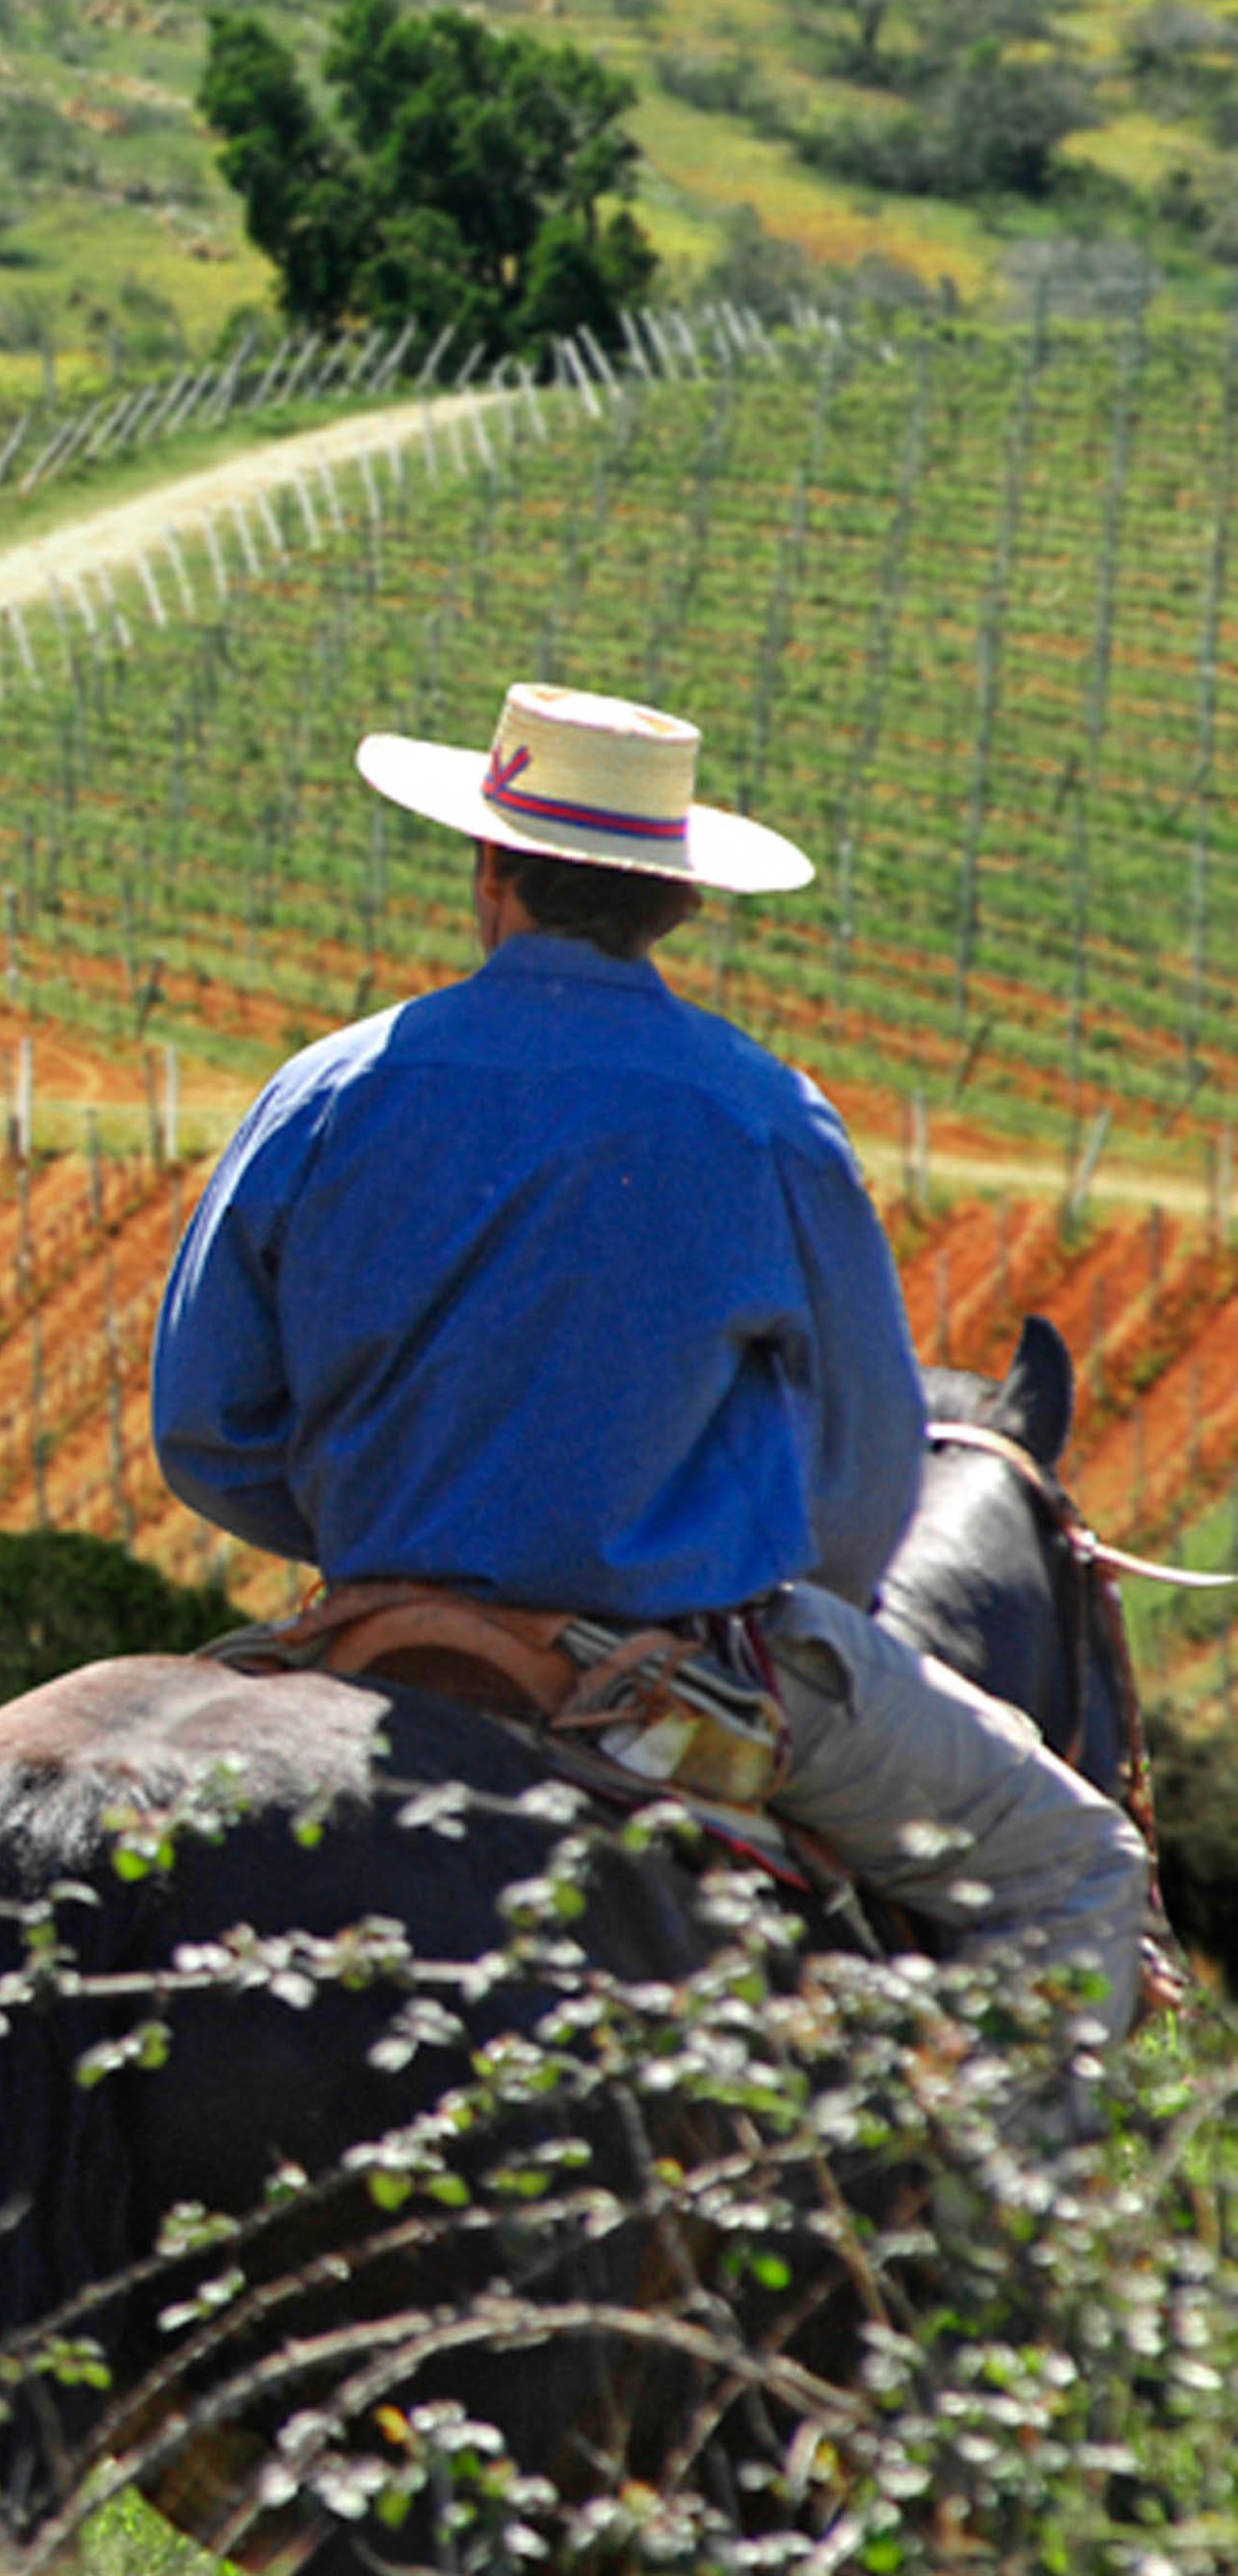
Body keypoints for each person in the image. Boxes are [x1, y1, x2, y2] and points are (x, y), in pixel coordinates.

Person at [152, 682, 1154, 2043]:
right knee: (1076, 1862)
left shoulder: (324, 1087)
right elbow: (861, 1483)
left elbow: (205, 1428)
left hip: (369, 1630)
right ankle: (1011, 2245)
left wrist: (390, 1543)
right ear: (676, 902)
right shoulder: (763, 1116)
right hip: (668, 1663)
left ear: (487, 866)